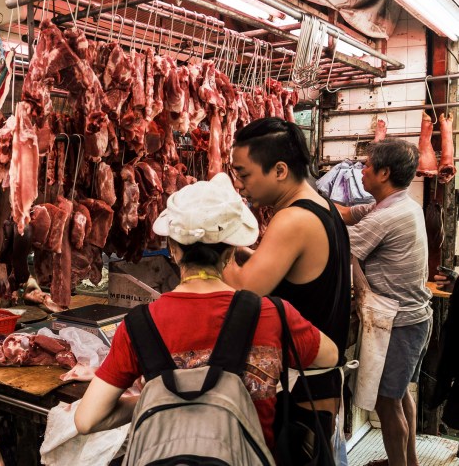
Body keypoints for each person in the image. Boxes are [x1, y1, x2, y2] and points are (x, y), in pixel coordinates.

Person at [74, 173, 338, 451]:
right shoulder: (273, 315)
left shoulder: (139, 326)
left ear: (173, 250)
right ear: (230, 253)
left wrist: (156, 397)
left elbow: (87, 420)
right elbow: (330, 355)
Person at [224, 117, 351, 432]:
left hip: (300, 391)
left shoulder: (293, 219)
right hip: (318, 385)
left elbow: (243, 292)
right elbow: (300, 279)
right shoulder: (324, 207)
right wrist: (248, 256)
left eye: (244, 174)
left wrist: (213, 238)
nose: (239, 185)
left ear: (279, 170)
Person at [337, 139, 431, 466]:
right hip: (413, 319)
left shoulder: (385, 218)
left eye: (367, 166)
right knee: (400, 396)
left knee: (386, 402)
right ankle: (407, 463)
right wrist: (308, 198)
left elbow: (339, 244)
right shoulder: (400, 205)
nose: (361, 171)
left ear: (384, 173)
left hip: (399, 324)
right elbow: (345, 213)